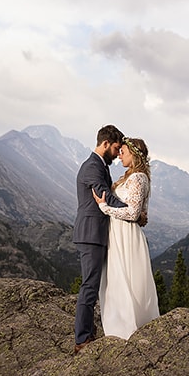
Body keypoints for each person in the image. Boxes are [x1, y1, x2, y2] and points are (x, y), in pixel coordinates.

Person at [92, 137, 160, 340]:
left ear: (134, 154)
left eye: (123, 151)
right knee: (116, 278)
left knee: (128, 278)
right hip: (117, 232)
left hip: (126, 234)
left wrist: (104, 207)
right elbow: (140, 215)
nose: (119, 155)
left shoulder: (138, 178)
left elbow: (133, 213)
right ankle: (118, 325)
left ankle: (129, 327)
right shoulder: (128, 177)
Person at [73, 124, 126, 353]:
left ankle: (89, 333)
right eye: (115, 148)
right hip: (91, 234)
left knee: (96, 285)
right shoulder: (92, 167)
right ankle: (81, 339)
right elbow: (104, 197)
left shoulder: (99, 166)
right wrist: (132, 210)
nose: (117, 153)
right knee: (90, 287)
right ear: (105, 144)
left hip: (96, 233)